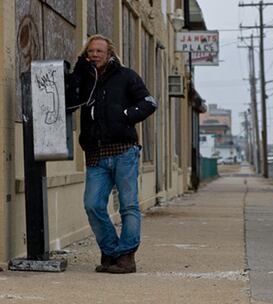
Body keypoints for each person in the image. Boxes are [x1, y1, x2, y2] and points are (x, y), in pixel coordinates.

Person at [66, 34, 157, 273]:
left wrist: (125, 116)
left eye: (99, 51)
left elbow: (149, 103)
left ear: (110, 54)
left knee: (128, 205)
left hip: (123, 152)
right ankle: (110, 251)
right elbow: (69, 101)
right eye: (90, 51)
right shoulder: (85, 79)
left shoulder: (126, 76)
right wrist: (78, 72)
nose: (94, 55)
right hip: (95, 154)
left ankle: (126, 256)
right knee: (93, 205)